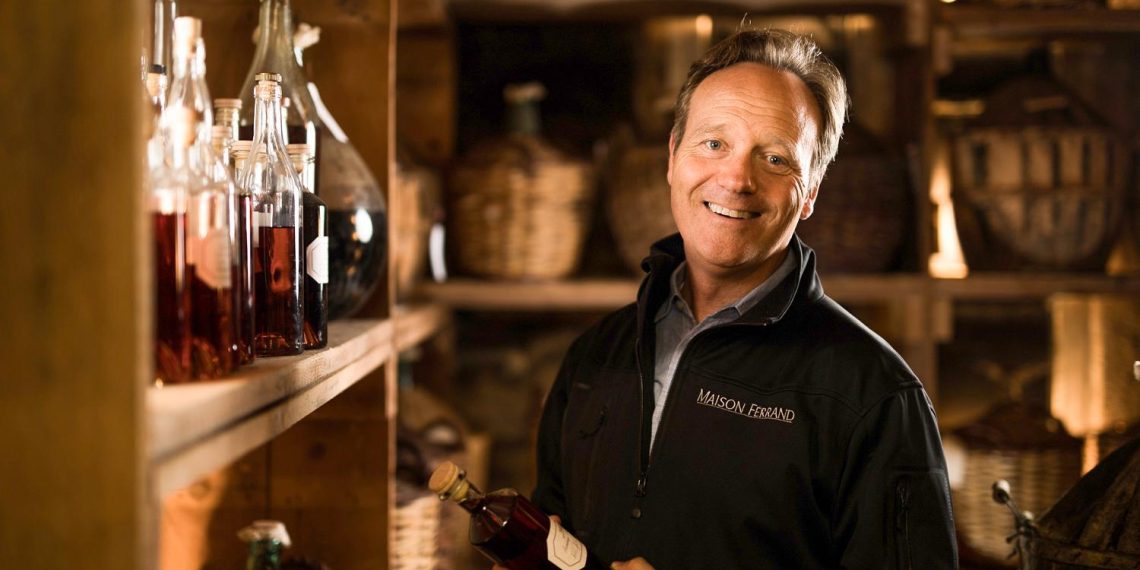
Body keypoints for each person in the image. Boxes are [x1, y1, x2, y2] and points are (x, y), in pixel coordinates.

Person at [528, 28, 958, 569]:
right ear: (672, 156)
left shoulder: (874, 396)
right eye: (714, 143)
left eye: (776, 159)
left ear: (812, 192)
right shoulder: (594, 358)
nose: (736, 178)